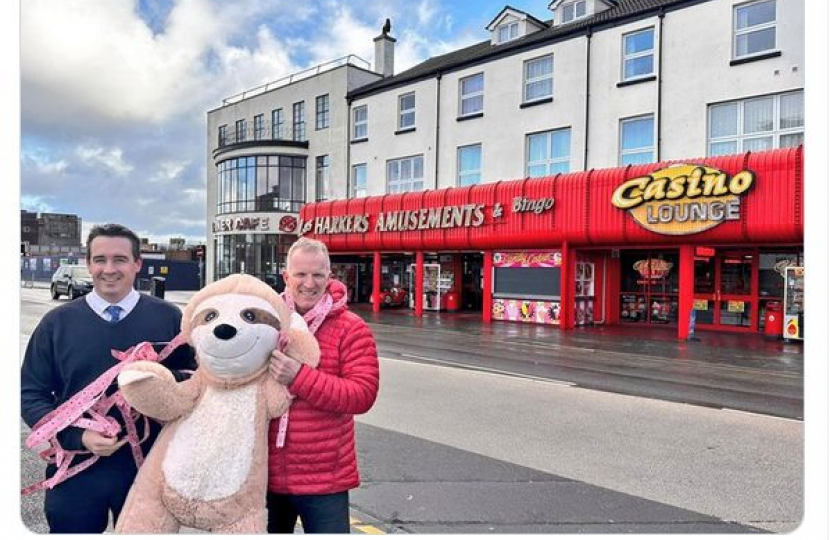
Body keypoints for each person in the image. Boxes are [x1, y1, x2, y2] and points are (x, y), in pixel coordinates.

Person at [21, 223, 196, 533]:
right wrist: (78, 437)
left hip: (148, 470)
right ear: (89, 264)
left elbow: (195, 382)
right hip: (75, 470)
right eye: (100, 259)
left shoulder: (170, 319)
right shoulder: (56, 323)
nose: (109, 269)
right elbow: (30, 394)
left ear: (137, 264)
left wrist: (160, 380)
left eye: (120, 259)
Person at [267, 238, 380, 534]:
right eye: (301, 274)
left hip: (324, 479)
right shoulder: (264, 322)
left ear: (330, 278)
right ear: (285, 276)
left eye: (318, 275)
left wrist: (299, 377)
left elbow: (362, 395)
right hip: (264, 474)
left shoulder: (352, 328)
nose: (309, 283)